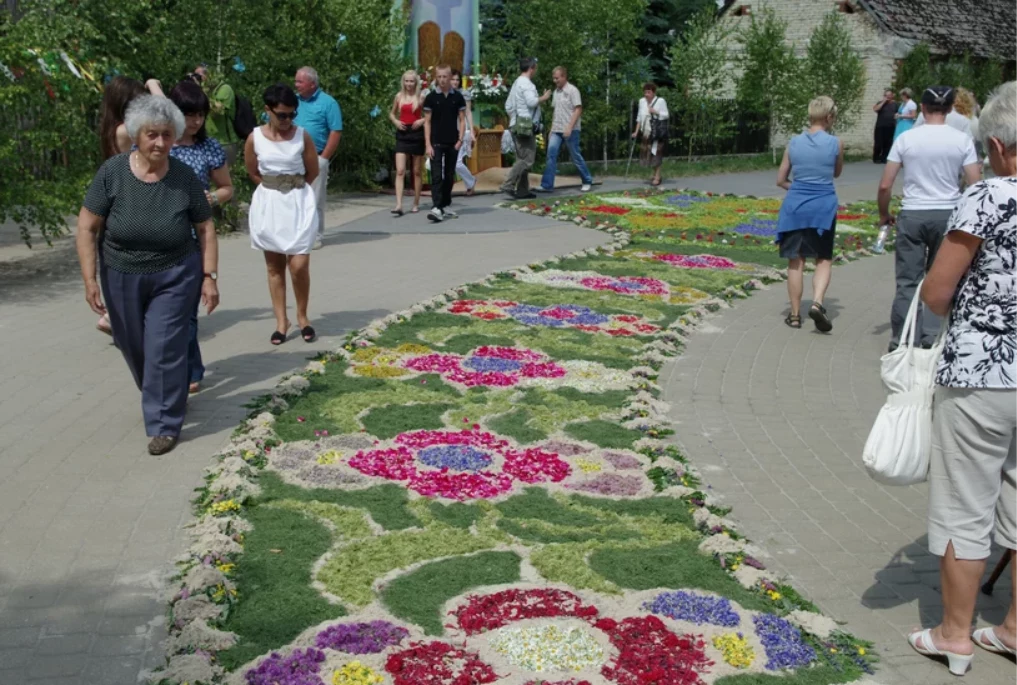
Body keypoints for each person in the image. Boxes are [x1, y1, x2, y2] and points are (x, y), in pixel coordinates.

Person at [910, 81, 1017, 677]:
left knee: (964, 501)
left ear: (998, 145)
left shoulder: (989, 197)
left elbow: (939, 290)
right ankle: (1012, 628)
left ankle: (955, 634)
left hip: (983, 374)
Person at [76, 95, 219, 456]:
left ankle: (165, 424)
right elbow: (87, 227)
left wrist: (209, 276)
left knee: (164, 346)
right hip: (121, 273)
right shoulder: (113, 172)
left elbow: (205, 228)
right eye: (152, 134)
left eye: (167, 135)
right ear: (137, 135)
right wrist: (90, 279)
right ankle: (161, 392)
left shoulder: (184, 177)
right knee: (134, 345)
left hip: (175, 273)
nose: (160, 143)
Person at [878, 86, 982, 352]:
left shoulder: (906, 139)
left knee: (907, 280)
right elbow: (975, 184)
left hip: (913, 213)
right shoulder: (961, 140)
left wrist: (884, 214)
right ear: (949, 110)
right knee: (943, 276)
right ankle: (933, 337)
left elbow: (885, 185)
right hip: (948, 214)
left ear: (922, 109)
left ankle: (903, 338)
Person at [164, 80, 233, 394]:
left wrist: (212, 199)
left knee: (186, 314)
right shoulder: (156, 144)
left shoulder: (209, 148)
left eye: (200, 115)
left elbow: (227, 188)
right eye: (188, 114)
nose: (195, 121)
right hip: (156, 238)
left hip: (193, 239)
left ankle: (191, 369)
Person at [246, 84, 319, 346]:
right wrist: (272, 190)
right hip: (270, 204)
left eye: (292, 114)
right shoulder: (255, 137)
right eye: (282, 115)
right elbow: (252, 170)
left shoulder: (303, 136)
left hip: (298, 202)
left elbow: (313, 170)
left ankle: (302, 316)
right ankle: (281, 321)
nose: (288, 120)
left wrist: (294, 188)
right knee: (274, 266)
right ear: (268, 111)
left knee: (298, 265)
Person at [774, 96, 844, 332]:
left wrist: (798, 189)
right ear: (829, 117)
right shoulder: (836, 143)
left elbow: (780, 180)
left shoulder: (793, 143)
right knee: (823, 258)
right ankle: (817, 303)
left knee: (796, 260)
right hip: (823, 207)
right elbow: (836, 173)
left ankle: (794, 316)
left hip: (795, 207)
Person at [96, 76, 149, 336]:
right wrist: (155, 86)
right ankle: (115, 318)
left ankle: (115, 316)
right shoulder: (124, 130)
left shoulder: (110, 128)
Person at [293, 67, 342, 250]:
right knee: (293, 196)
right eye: (296, 81)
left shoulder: (328, 103)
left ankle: (315, 235)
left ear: (312, 84)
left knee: (315, 198)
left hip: (316, 156)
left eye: (300, 81)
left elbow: (335, 131)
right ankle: (297, 233)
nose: (296, 85)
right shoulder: (293, 101)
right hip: (293, 157)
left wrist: (324, 157)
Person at [537, 66, 593, 193]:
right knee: (551, 154)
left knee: (575, 156)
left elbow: (578, 109)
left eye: (557, 78)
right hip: (557, 129)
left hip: (571, 129)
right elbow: (555, 111)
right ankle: (547, 185)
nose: (554, 80)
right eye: (554, 78)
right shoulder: (556, 92)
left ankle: (587, 180)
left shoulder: (573, 91)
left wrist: (570, 127)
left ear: (563, 76)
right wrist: (552, 128)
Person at [500, 57, 550, 200]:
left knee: (521, 158)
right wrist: (544, 97)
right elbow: (532, 101)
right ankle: (508, 184)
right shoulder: (527, 84)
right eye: (535, 68)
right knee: (527, 160)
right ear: (532, 68)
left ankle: (522, 190)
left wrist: (514, 118)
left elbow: (508, 106)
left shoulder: (516, 83)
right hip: (526, 125)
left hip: (516, 124)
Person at [423, 64, 466, 223]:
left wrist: (460, 139)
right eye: (439, 77)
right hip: (436, 142)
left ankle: (445, 204)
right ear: (436, 77)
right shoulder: (431, 97)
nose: (442, 80)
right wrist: (427, 144)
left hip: (453, 142)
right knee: (436, 175)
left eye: (445, 77)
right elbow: (427, 122)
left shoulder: (458, 97)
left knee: (449, 175)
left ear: (450, 77)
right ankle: (436, 207)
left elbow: (462, 120)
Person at [389, 70, 426, 216]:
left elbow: (430, 114)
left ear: (416, 82)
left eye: (411, 81)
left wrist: (421, 120)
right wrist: (396, 121)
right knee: (400, 170)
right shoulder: (399, 96)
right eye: (406, 81)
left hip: (416, 133)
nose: (409, 84)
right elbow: (391, 113)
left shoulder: (421, 97)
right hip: (402, 132)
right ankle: (398, 204)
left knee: (416, 171)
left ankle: (416, 202)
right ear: (403, 82)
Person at [189, 64, 241, 164]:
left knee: (223, 178)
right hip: (205, 141)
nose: (199, 79)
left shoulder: (225, 89)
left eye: (200, 75)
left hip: (224, 143)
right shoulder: (204, 90)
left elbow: (218, 112)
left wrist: (200, 91)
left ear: (210, 75)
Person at [633, 83, 670, 187]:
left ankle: (657, 177)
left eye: (649, 92)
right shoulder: (641, 101)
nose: (646, 94)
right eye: (645, 92)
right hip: (646, 132)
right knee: (649, 155)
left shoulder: (660, 101)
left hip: (657, 133)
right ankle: (655, 174)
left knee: (656, 155)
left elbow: (666, 115)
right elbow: (639, 117)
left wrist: (655, 112)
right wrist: (636, 131)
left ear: (654, 92)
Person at [451, 69, 478, 197]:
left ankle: (471, 182)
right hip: (449, 130)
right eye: (453, 79)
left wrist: (471, 131)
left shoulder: (464, 94)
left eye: (457, 80)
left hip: (462, 129)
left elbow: (468, 113)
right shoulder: (444, 93)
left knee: (457, 162)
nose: (455, 82)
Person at [872, 89, 896, 163]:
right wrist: (883, 102)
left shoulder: (895, 104)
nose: (888, 97)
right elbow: (875, 109)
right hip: (880, 126)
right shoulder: (880, 103)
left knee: (888, 143)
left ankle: (884, 158)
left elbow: (898, 113)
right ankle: (876, 158)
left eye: (889, 95)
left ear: (892, 96)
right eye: (886, 95)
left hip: (890, 126)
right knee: (878, 143)